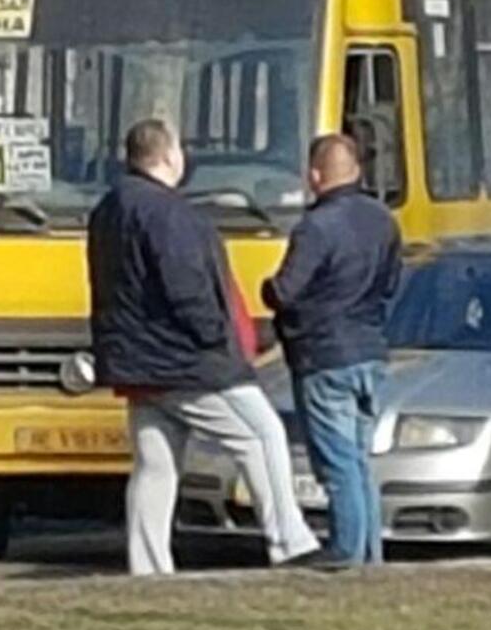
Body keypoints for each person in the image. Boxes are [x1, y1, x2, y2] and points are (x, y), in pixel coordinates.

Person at [87, 119, 320, 575]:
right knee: (263, 435)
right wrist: (217, 337)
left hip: (134, 362)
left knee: (155, 466)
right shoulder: (170, 214)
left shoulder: (108, 210)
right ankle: (290, 542)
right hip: (187, 361)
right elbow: (187, 286)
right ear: (171, 156)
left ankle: (148, 567)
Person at [263, 134, 402, 568]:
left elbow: (286, 291)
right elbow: (393, 284)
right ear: (358, 171)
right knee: (359, 462)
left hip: (324, 355)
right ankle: (368, 556)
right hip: (371, 351)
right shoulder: (384, 220)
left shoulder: (316, 227)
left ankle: (345, 551)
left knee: (337, 462)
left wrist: (266, 291)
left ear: (315, 176)